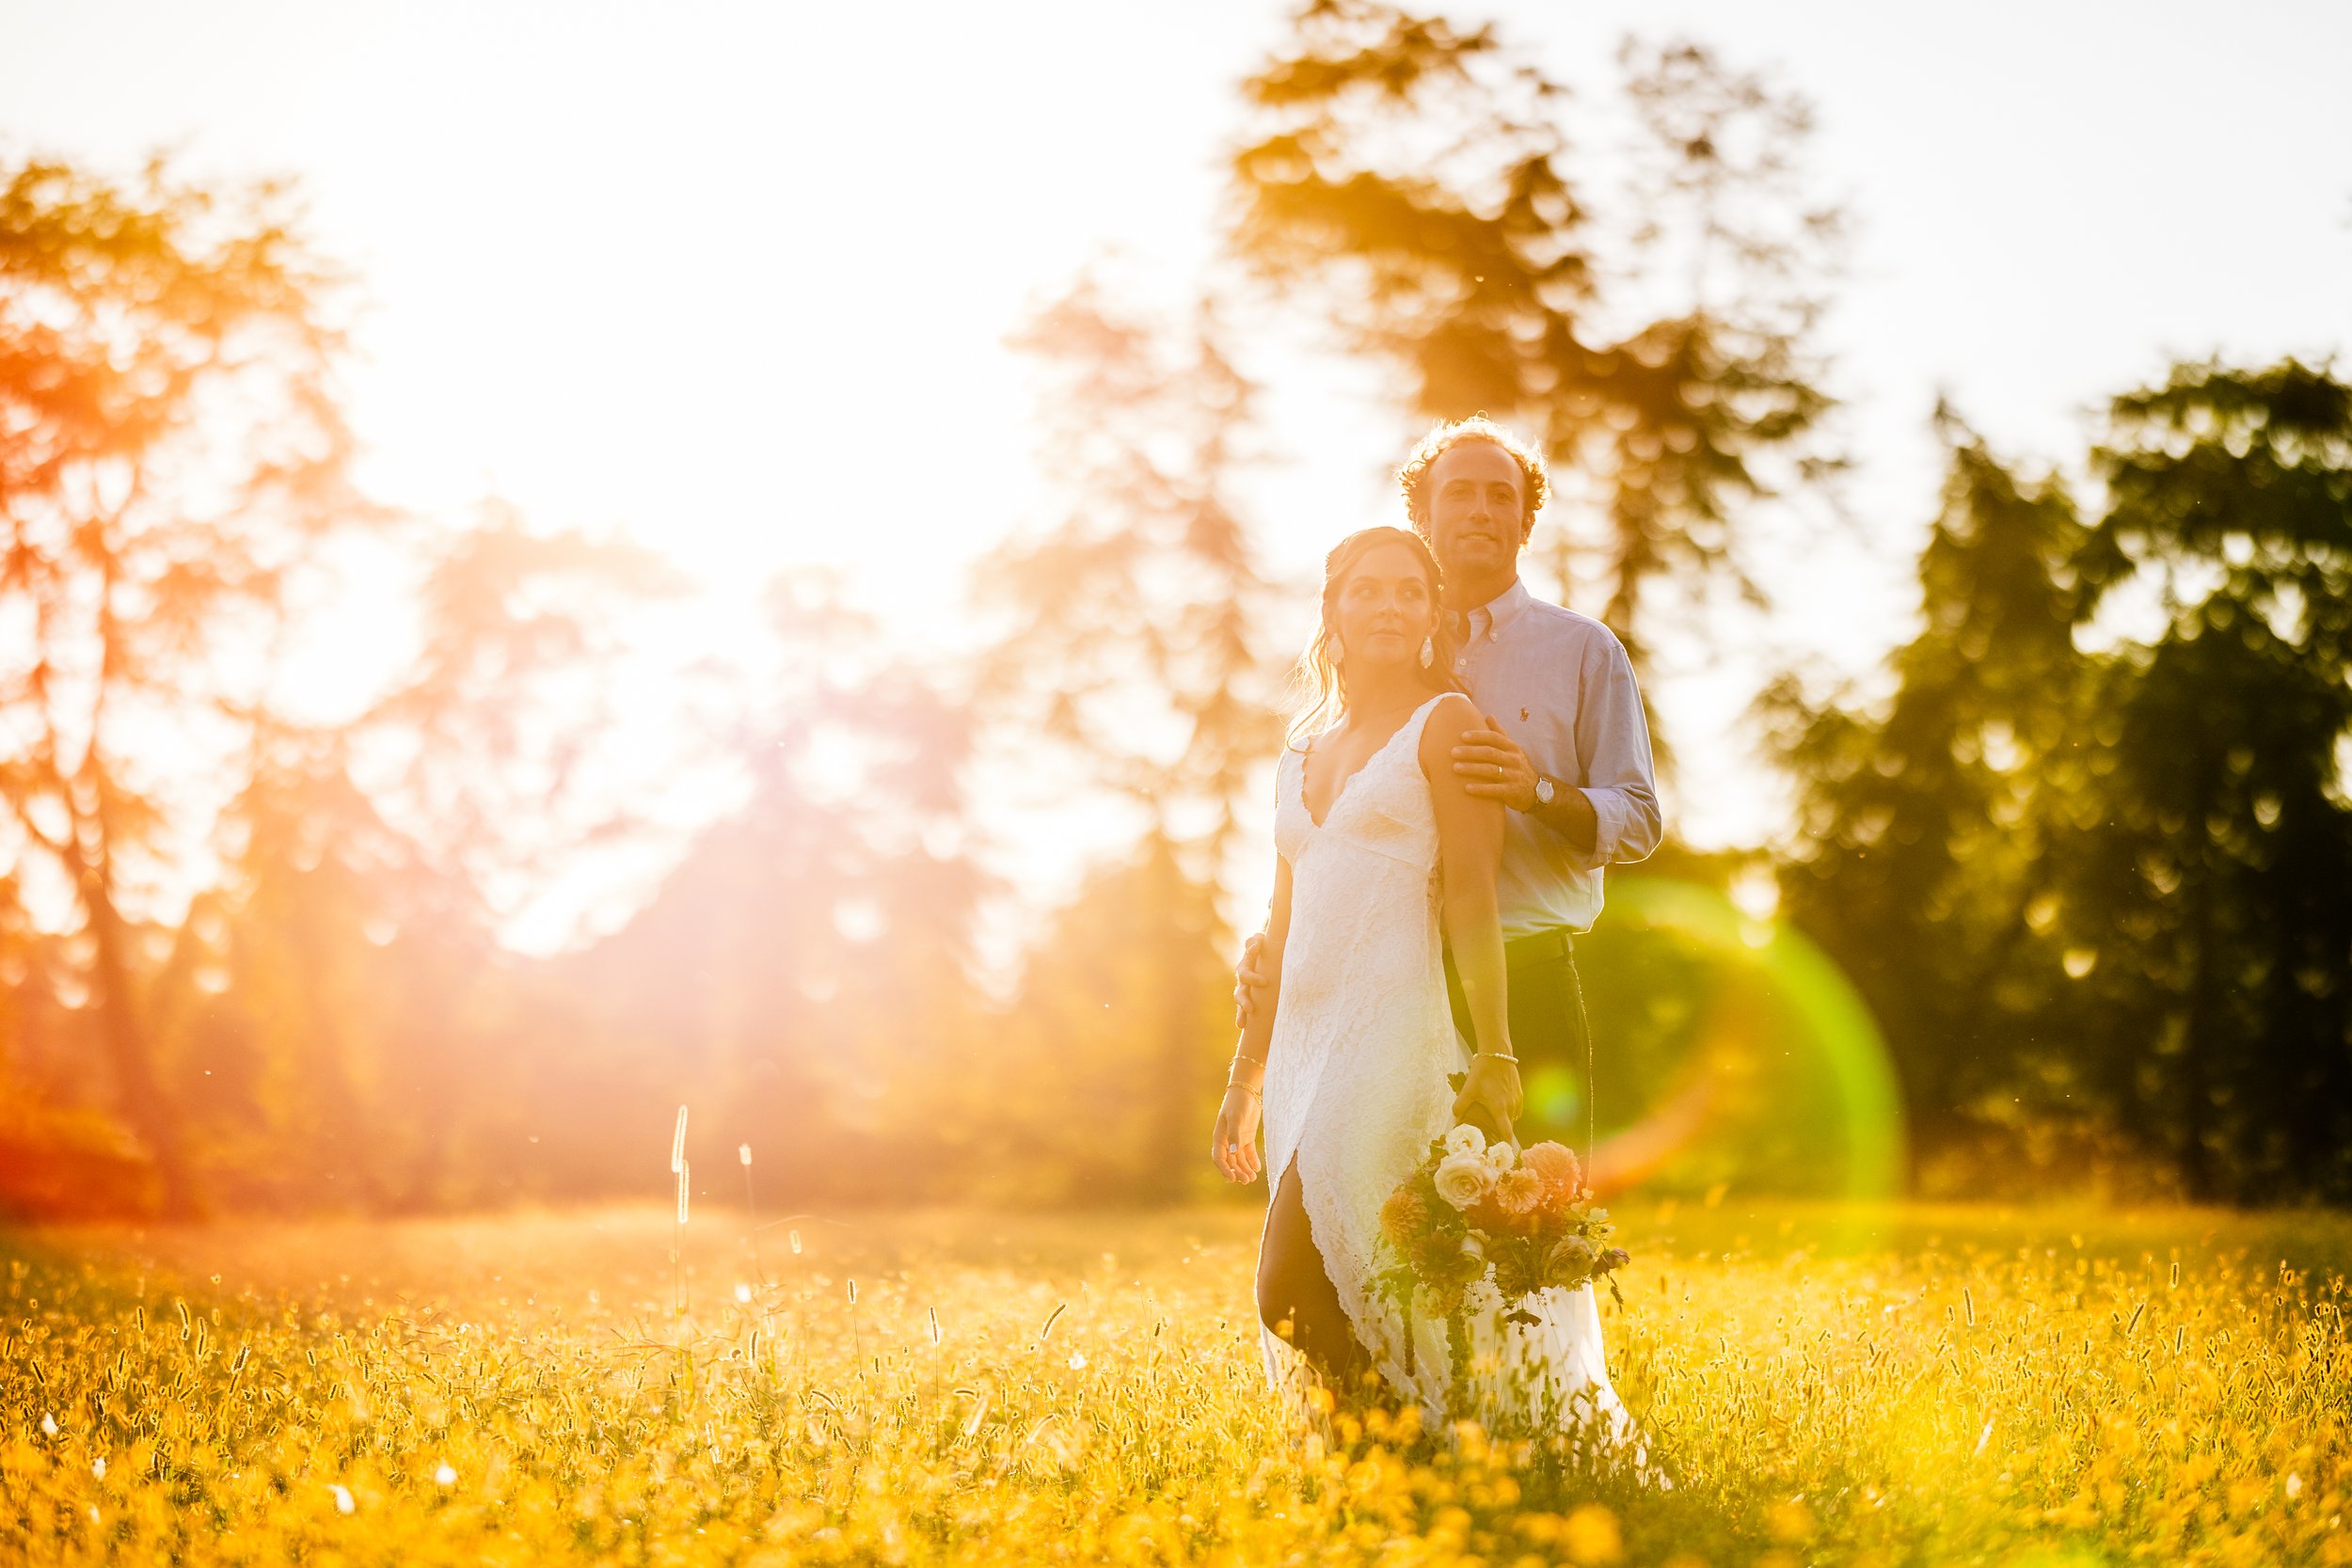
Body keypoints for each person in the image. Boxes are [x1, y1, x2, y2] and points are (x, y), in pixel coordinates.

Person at [1208, 513, 1647, 1446]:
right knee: (1355, 1279)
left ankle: (1413, 1462)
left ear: (1430, 612)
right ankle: (1420, 1475)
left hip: (1393, 1035)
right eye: (1366, 587)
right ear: (1330, 608)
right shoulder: (1297, 752)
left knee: (1286, 1286)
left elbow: (1472, 900)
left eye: (1410, 590)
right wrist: (1243, 1077)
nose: (1389, 605)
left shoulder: (1445, 723)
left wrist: (1493, 1047)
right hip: (1300, 1051)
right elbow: (1279, 931)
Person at [1238, 417, 1661, 1163]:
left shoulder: (1583, 651)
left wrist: (1536, 791)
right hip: (1389, 991)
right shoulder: (1379, 639)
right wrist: (1284, 942)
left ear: (1526, 522)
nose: (1480, 510)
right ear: (1421, 516)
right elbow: (1332, 820)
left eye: (1502, 497)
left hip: (1526, 973)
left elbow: (1638, 820)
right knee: (1398, 1240)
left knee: (1534, 1226)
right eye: (1458, 492)